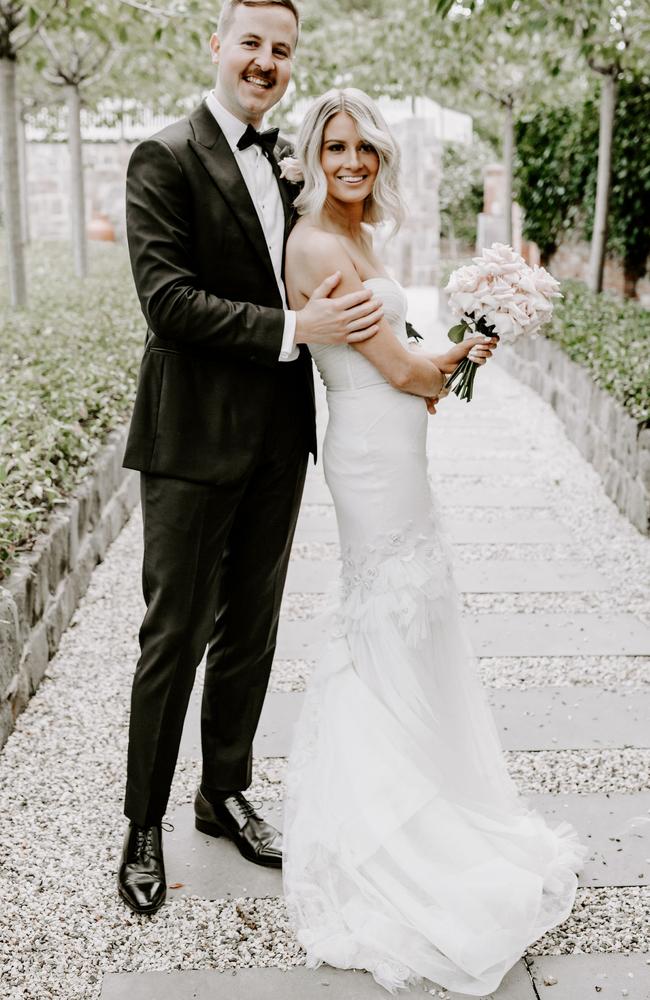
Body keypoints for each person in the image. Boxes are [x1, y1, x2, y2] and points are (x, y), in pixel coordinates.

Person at [281, 88, 587, 996]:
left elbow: (414, 372)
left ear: (380, 159)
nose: (351, 162)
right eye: (336, 147)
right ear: (315, 151)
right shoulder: (314, 244)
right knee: (385, 614)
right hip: (370, 457)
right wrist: (466, 347)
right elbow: (406, 369)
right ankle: (392, 831)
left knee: (413, 619)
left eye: (365, 150)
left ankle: (427, 792)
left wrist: (464, 343)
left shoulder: (363, 239)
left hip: (397, 443)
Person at [117, 0, 389, 916]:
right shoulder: (162, 155)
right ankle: (143, 825)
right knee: (174, 637)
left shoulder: (289, 161)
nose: (265, 61)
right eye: (251, 45)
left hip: (280, 437)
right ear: (217, 47)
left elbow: (333, 263)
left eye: (281, 49)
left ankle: (221, 792)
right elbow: (169, 303)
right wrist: (293, 329)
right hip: (191, 440)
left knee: (252, 631)